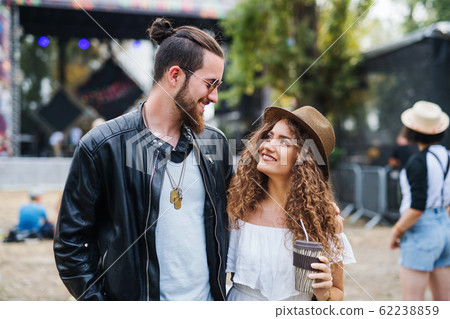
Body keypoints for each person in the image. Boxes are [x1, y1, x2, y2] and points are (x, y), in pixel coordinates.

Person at [54, 18, 233, 301]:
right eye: (210, 84)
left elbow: (243, 211)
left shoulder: (216, 144)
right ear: (175, 76)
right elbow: (69, 245)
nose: (215, 97)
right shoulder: (101, 146)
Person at [226, 106, 355, 301]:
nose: (267, 145)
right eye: (269, 137)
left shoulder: (323, 221)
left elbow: (337, 294)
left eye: (284, 142)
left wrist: (323, 293)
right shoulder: (237, 207)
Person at [389, 101, 450, 301]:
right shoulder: (447, 156)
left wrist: (397, 230)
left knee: (413, 303)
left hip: (421, 230)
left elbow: (417, 207)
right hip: (445, 227)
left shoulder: (418, 161)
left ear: (412, 130)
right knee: (444, 301)